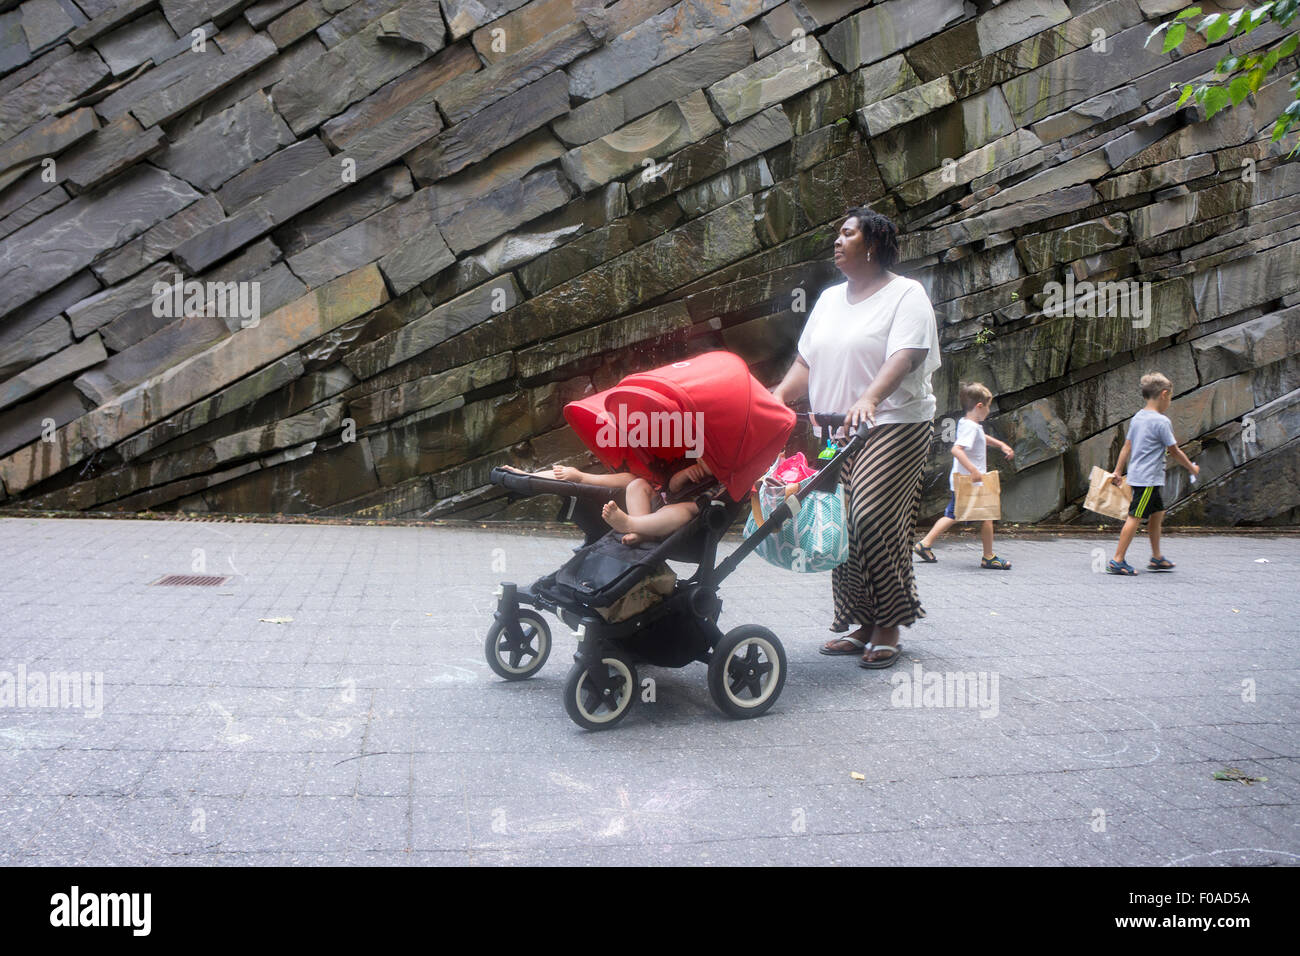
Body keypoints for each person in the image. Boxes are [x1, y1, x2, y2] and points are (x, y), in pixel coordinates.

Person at [771, 207, 941, 669]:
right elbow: (806, 363)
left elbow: (905, 356)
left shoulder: (907, 295)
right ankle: (861, 622)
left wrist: (868, 398)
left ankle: (889, 622)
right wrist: (778, 398)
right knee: (838, 523)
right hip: (833, 429)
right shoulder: (827, 300)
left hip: (892, 423)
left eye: (847, 233)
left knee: (869, 515)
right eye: (837, 233)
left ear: (872, 244)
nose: (838, 240)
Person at [914, 382, 1014, 569]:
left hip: (964, 480)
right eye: (988, 406)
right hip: (970, 481)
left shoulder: (967, 423)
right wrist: (974, 470)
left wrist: (1001, 445)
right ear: (979, 406)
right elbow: (957, 450)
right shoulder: (971, 427)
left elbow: (981, 437)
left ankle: (925, 544)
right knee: (985, 515)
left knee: (955, 514)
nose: (989, 410)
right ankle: (988, 556)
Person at [1106, 372, 1199, 575]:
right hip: (1147, 479)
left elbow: (1126, 446)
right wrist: (1191, 468)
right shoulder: (1161, 421)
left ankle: (1157, 558)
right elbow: (1174, 451)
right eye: (1171, 397)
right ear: (1164, 394)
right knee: (1135, 516)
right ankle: (1117, 560)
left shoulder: (1138, 417)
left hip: (1143, 476)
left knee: (1157, 513)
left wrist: (1118, 471)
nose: (1170, 402)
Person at [501, 461, 715, 546]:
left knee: (689, 508)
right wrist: (686, 474)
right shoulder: (693, 458)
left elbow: (714, 504)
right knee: (635, 482)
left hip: (687, 524)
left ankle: (632, 525)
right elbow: (673, 488)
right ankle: (532, 477)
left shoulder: (727, 480)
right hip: (655, 507)